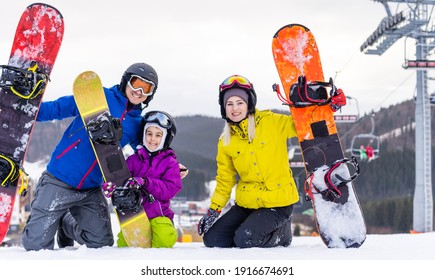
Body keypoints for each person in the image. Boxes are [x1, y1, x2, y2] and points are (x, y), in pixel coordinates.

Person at [22, 63, 161, 250]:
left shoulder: (137, 124)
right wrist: (23, 110)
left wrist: (171, 165)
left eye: (146, 88)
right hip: (59, 179)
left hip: (90, 190)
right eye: (136, 83)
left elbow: (148, 153)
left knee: (101, 244)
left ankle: (65, 224)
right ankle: (54, 219)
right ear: (125, 81)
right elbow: (57, 108)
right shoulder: (97, 97)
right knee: (35, 246)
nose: (138, 91)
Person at [197, 74, 300, 248]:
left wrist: (318, 106)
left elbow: (300, 125)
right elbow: (225, 180)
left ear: (249, 103)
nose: (234, 108)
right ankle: (252, 230)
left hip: (278, 203)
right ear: (224, 108)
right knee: (213, 239)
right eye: (229, 104)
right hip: (248, 203)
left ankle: (283, 234)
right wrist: (214, 210)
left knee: (245, 240)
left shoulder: (271, 122)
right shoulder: (226, 141)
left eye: (239, 103)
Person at [102, 110, 182, 248]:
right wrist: (111, 187)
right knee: (123, 244)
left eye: (158, 135)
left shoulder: (170, 162)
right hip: (135, 216)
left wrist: (146, 182)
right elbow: (121, 179)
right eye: (149, 133)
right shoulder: (134, 159)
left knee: (164, 239)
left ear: (165, 138)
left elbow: (170, 189)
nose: (152, 139)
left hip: (159, 217)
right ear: (143, 135)